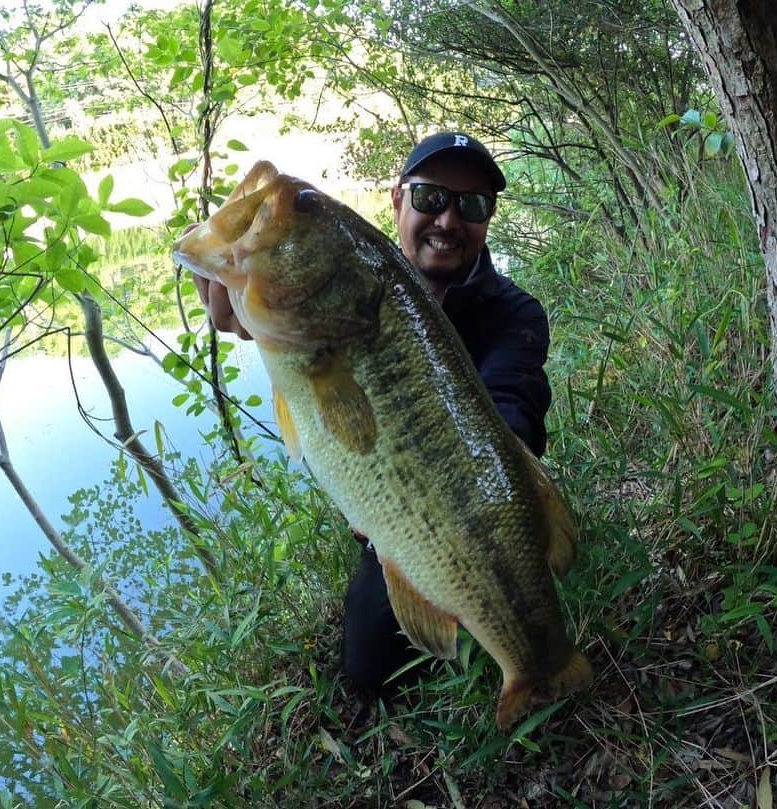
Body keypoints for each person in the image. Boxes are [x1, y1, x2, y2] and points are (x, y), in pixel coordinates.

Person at [192, 132, 553, 697]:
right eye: (432, 197)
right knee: (365, 678)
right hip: (387, 522)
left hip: (471, 509)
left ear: (488, 220)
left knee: (494, 602)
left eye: (473, 205)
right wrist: (250, 307)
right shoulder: (357, 275)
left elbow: (515, 409)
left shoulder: (515, 312)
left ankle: (527, 652)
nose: (449, 220)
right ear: (397, 200)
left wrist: (469, 522)